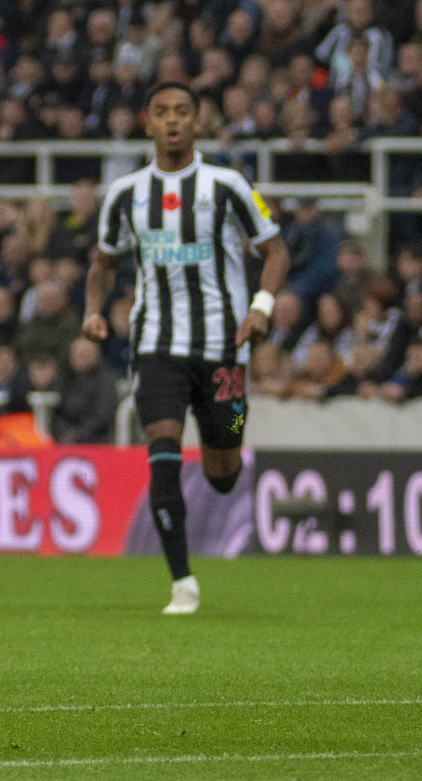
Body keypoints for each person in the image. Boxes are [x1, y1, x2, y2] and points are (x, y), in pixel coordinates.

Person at [84, 81, 291, 615]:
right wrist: (93, 311)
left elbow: (275, 251)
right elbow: (103, 264)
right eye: (162, 112)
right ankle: (182, 582)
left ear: (198, 123)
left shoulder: (228, 185)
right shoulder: (127, 194)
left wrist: (262, 306)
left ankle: (228, 451)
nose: (173, 121)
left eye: (182, 112)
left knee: (224, 468)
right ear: (146, 122)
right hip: (156, 347)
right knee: (164, 457)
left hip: (226, 347)